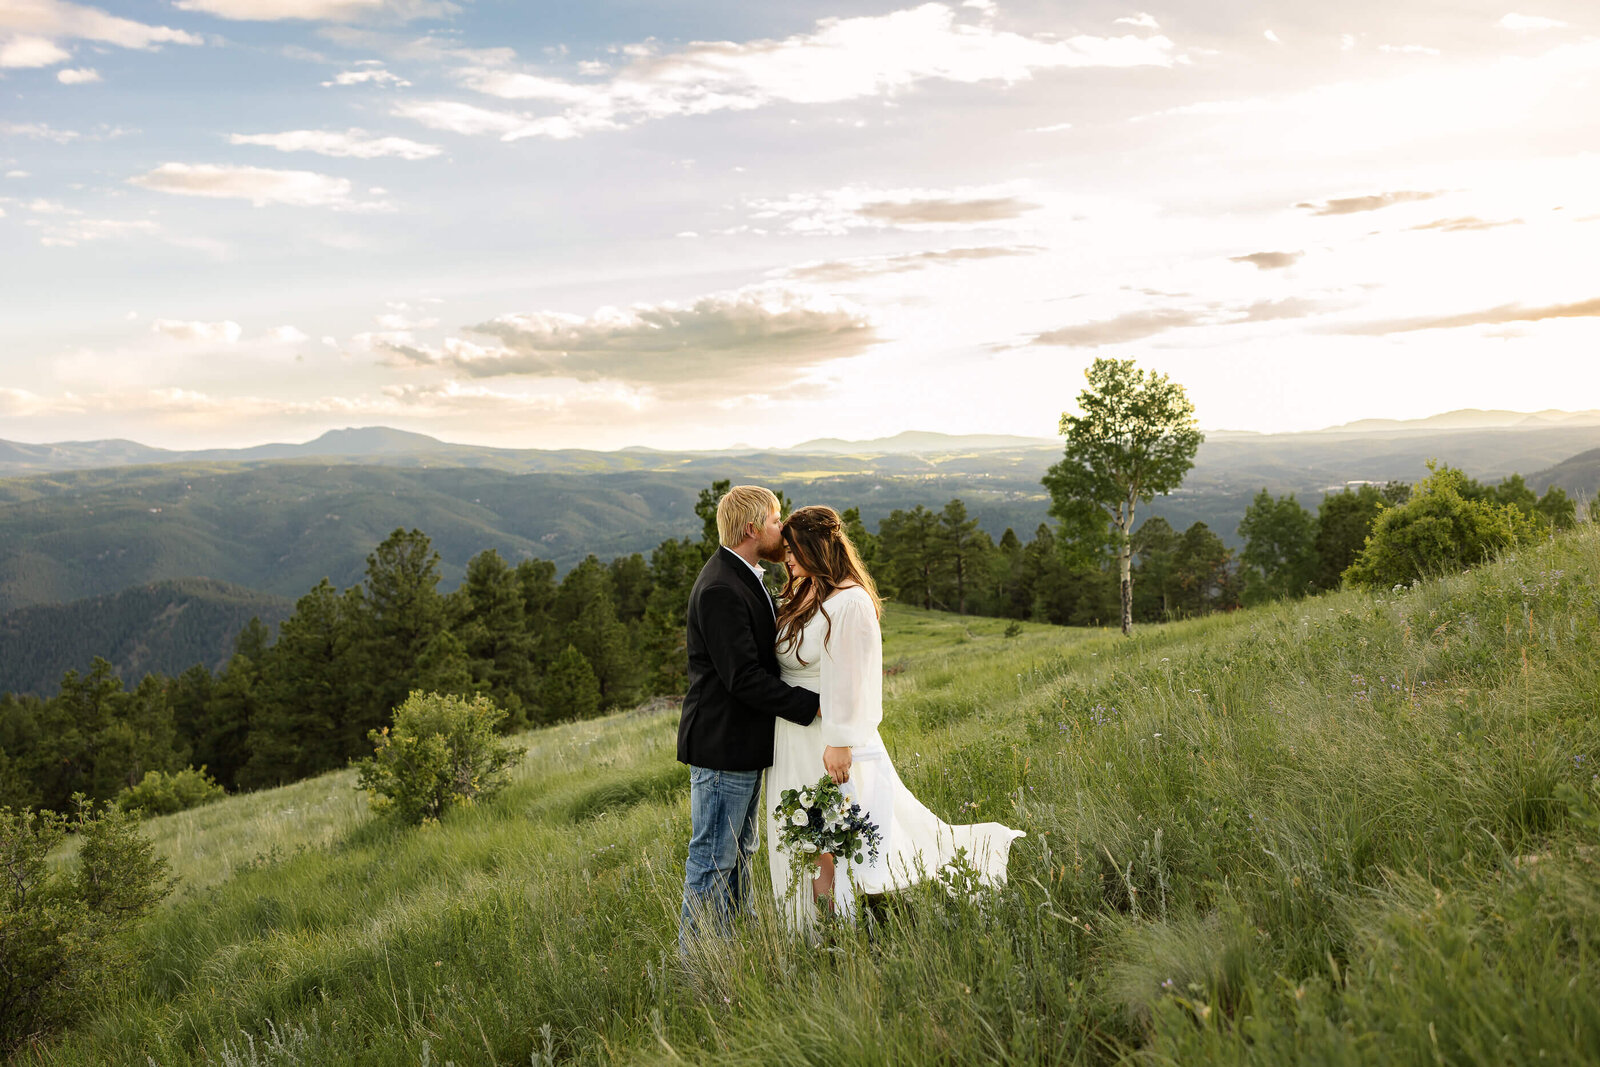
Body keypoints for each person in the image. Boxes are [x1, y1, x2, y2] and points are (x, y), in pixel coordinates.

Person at [766, 505, 1024, 932]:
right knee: (812, 840)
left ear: (816, 546)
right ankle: (820, 929)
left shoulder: (851, 600)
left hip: (829, 741)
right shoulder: (810, 589)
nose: (787, 557)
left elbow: (857, 676)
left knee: (828, 839)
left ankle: (835, 931)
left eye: (793, 549)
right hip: (795, 737)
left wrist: (841, 739)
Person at [677, 485, 819, 949]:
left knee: (740, 853)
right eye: (777, 520)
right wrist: (812, 706)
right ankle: (696, 963)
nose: (784, 529)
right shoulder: (721, 586)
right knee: (714, 858)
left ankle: (735, 946)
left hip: (743, 745)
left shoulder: (746, 575)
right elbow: (743, 678)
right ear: (753, 528)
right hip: (723, 746)